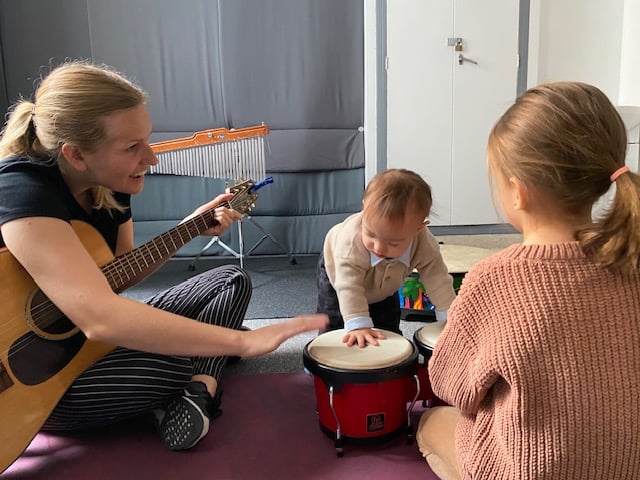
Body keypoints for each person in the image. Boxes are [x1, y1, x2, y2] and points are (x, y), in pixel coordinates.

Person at [0, 60, 327, 453]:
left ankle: (196, 390)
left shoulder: (109, 182)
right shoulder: (22, 192)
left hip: (93, 344)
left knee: (229, 281)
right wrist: (242, 344)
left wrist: (189, 226)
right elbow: (100, 316)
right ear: (76, 155)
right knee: (170, 363)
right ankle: (196, 379)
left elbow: (118, 276)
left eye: (147, 139)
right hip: (33, 387)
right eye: (132, 147)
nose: (151, 158)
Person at [416, 81, 640, 479]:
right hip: (626, 467)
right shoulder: (632, 262)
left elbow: (453, 385)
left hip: (533, 470)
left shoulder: (496, 278)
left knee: (431, 424)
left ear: (517, 193)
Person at [316, 168, 456, 347]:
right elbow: (348, 286)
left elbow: (437, 278)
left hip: (386, 284)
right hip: (338, 275)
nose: (379, 248)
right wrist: (358, 323)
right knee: (334, 320)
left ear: (418, 229)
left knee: (388, 324)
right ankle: (318, 363)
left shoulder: (424, 243)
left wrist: (449, 317)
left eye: (393, 243)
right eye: (371, 234)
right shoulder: (350, 244)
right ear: (364, 207)